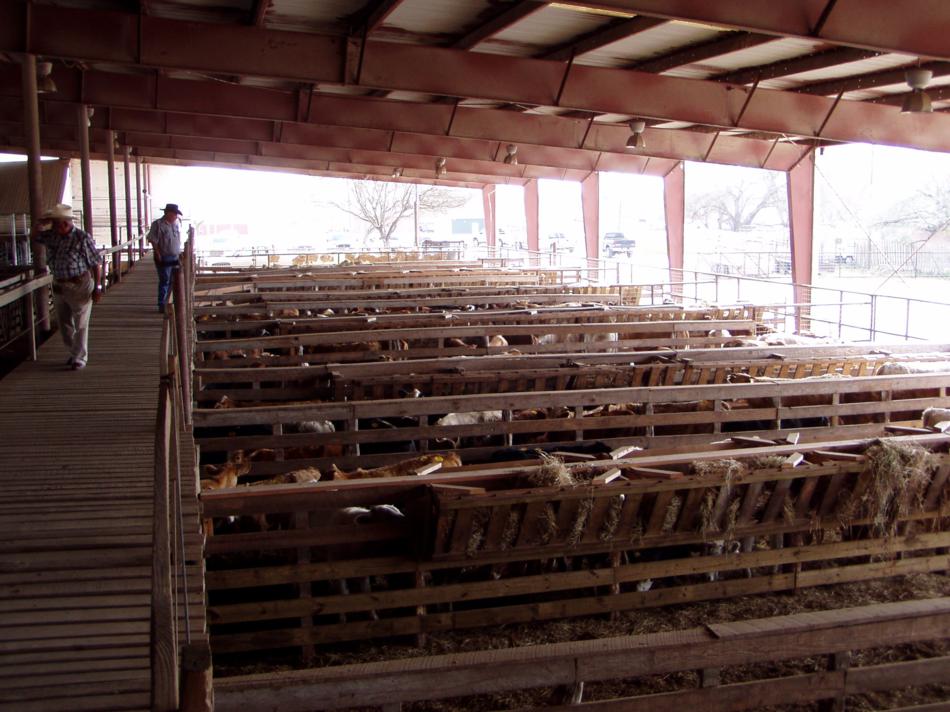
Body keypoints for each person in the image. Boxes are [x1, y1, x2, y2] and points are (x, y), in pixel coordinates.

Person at [33, 203, 102, 371]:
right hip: (59, 284)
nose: (59, 226)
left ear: (68, 223)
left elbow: (95, 263)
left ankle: (80, 358)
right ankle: (74, 351)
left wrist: (98, 286)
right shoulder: (50, 236)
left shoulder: (82, 238)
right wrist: (38, 224)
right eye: (55, 223)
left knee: (81, 323)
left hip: (80, 284)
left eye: (61, 223)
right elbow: (35, 237)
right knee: (64, 325)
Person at [148, 203, 184, 313]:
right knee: (165, 280)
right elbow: (153, 240)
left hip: (175, 256)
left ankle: (170, 302)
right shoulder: (158, 224)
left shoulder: (177, 223)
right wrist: (157, 253)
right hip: (164, 256)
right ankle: (162, 304)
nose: (176, 216)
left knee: (174, 280)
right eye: (174, 214)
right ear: (168, 213)